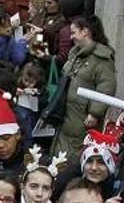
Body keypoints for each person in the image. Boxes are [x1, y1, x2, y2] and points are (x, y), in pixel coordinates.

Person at [50, 16, 118, 160]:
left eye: (74, 32)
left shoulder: (102, 59)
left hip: (83, 117)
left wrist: (95, 112)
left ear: (85, 31)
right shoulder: (75, 54)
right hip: (66, 113)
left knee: (76, 150)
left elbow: (106, 87)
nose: (71, 36)